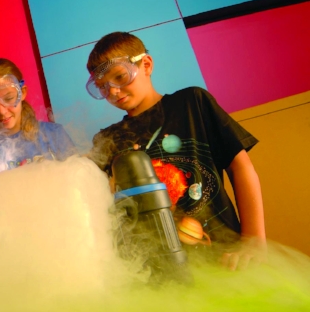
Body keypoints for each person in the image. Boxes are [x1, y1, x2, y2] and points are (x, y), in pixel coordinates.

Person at [86, 32, 266, 271]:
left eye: (120, 77)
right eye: (103, 87)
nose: (114, 92)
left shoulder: (192, 103)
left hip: (225, 257)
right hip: (157, 270)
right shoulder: (107, 139)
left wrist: (253, 241)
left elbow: (241, 167)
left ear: (146, 64)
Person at [0, 58, 76, 173]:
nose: (2, 111)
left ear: (22, 92)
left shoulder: (54, 135)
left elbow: (77, 182)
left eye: (8, 99)